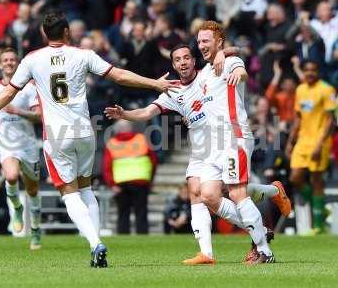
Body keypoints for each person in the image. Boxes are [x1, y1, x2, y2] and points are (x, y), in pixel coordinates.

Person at [0, 9, 180, 268]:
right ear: (67, 32)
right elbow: (119, 75)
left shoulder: (34, 59)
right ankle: (96, 243)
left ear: (45, 34)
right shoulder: (83, 55)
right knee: (86, 188)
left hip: (57, 136)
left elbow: (8, 93)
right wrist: (154, 84)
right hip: (84, 131)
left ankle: (94, 244)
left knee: (69, 193)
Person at [105, 40, 291, 265]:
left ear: (194, 61)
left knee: (228, 192)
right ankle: (208, 253)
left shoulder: (208, 73)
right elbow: (146, 112)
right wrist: (124, 114)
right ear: (173, 65)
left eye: (186, 58)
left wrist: (222, 52)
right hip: (200, 150)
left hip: (224, 141)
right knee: (199, 192)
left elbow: (237, 51)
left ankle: (270, 199)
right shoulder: (172, 90)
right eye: (177, 60)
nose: (182, 62)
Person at [0, 47, 42, 250]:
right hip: (6, 145)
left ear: (18, 63)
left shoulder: (30, 88)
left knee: (32, 190)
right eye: (5, 60)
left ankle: (36, 230)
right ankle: (17, 207)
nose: (8, 63)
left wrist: (18, 111)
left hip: (29, 145)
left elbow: (39, 115)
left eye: (12, 60)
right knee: (12, 177)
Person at [285, 60, 336, 234]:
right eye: (307, 70)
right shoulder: (300, 89)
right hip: (303, 141)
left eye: (313, 70)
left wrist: (320, 144)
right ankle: (320, 208)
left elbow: (331, 120)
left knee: (316, 181)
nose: (310, 73)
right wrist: (291, 141)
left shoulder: (327, 90)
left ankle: (319, 225)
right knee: (295, 178)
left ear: (318, 71)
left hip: (319, 141)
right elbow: (298, 118)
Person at [103, 119, 157, 234]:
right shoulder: (141, 139)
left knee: (123, 213)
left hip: (121, 183)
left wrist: (111, 184)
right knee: (141, 212)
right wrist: (150, 180)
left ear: (116, 130)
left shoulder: (112, 143)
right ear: (131, 128)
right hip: (141, 181)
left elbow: (106, 166)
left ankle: (123, 238)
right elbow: (153, 161)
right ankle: (143, 239)